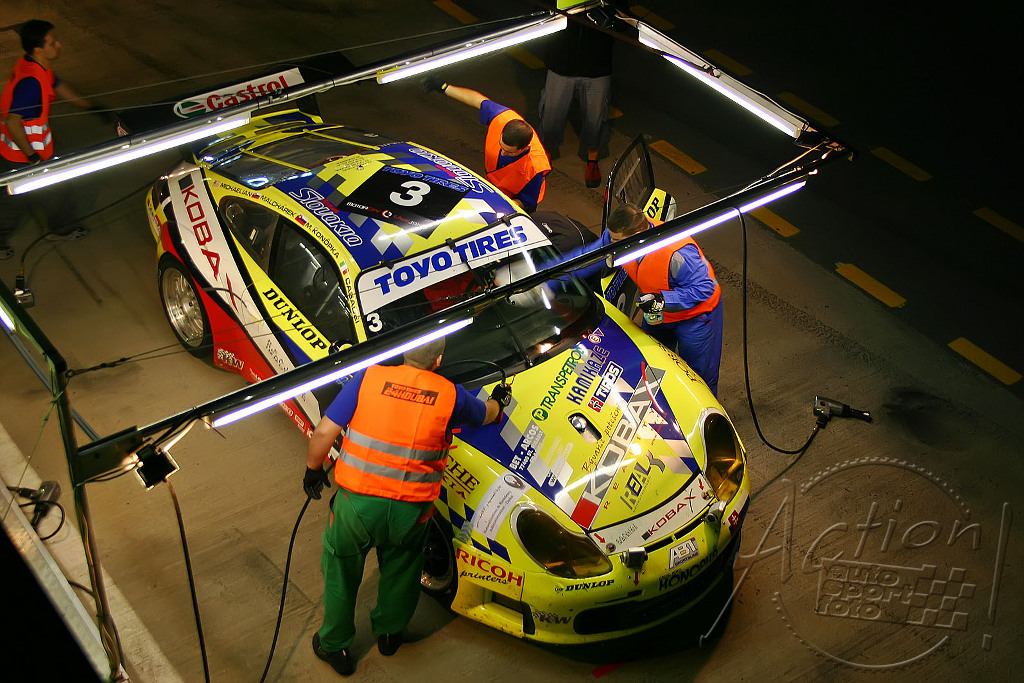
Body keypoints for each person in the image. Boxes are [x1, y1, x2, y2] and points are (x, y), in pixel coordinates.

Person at [302, 338, 509, 676]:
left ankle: (335, 646)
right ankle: (389, 634)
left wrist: (313, 470)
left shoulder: (368, 378)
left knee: (341, 572)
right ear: (438, 360)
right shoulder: (450, 395)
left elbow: (325, 431)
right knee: (402, 572)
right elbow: (485, 415)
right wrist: (499, 403)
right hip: (411, 512)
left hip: (356, 506)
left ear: (403, 352)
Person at [559, 203, 724, 396]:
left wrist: (663, 300)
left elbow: (704, 288)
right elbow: (588, 257)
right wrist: (553, 277)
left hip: (696, 318)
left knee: (698, 377)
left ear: (638, 236)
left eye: (616, 240)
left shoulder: (676, 252)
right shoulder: (619, 237)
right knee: (651, 363)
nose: (611, 243)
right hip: (658, 311)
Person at [0, 19, 93, 260]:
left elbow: (56, 83)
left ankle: (61, 228)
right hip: (22, 155)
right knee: (15, 201)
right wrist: (32, 158)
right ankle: (60, 230)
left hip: (29, 151)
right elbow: (12, 122)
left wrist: (89, 106)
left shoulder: (32, 65)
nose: (59, 44)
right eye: (53, 42)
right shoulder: (31, 84)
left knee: (54, 190)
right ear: (38, 49)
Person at [425, 78, 550, 212]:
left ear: (525, 148)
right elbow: (478, 100)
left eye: (509, 152)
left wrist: (493, 205)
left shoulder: (535, 169)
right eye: (501, 146)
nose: (502, 153)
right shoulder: (502, 118)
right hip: (491, 187)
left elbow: (524, 203)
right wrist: (445, 87)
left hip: (512, 204)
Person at [537, 16, 615, 188]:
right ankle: (545, 154)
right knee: (551, 115)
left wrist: (606, 15)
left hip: (597, 66)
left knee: (595, 118)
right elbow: (541, 12)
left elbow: (622, 22)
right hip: (560, 62)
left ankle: (592, 161)